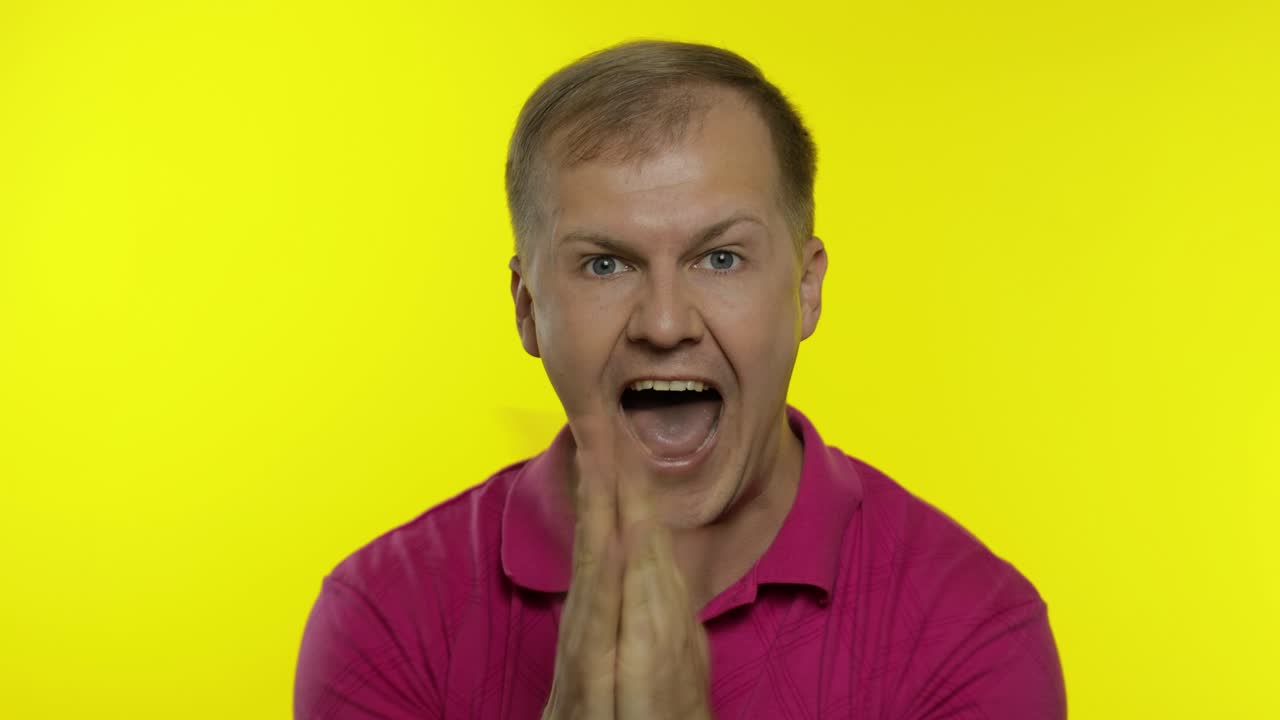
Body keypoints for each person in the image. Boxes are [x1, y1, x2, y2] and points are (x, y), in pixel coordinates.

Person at [294, 40, 1067, 719]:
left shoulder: (972, 629)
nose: (665, 324)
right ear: (528, 309)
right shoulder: (385, 617)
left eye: (719, 257)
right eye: (605, 264)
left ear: (805, 288)